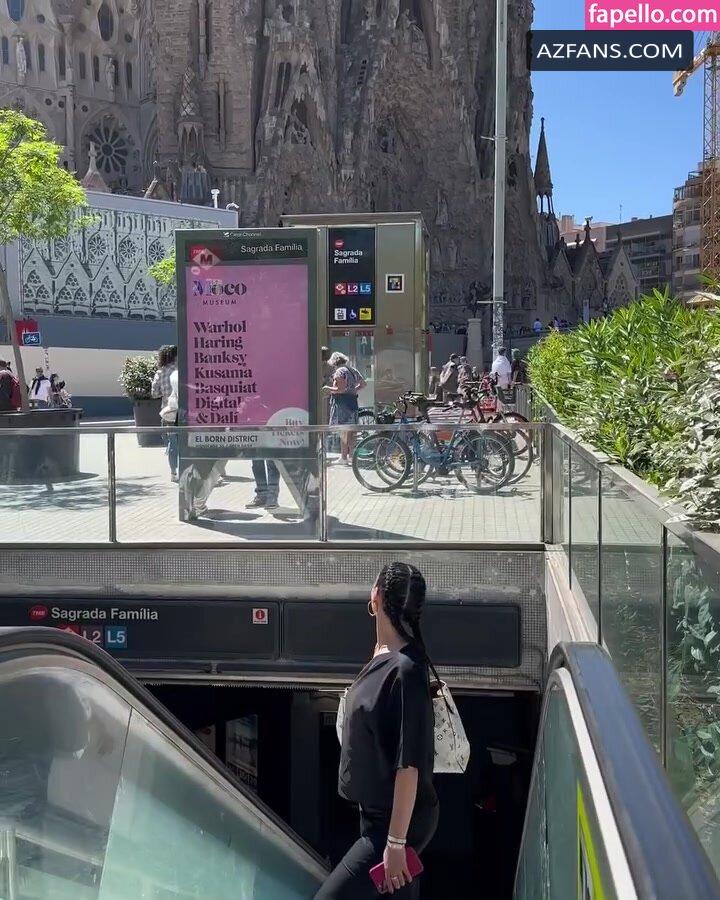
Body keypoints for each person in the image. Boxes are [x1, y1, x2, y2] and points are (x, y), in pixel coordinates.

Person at [316, 563, 439, 899]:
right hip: (377, 816)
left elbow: (409, 765)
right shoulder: (384, 655)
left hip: (394, 823)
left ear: (378, 597)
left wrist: (396, 843)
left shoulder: (405, 669)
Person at [323, 352, 366, 465]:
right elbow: (363, 384)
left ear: (334, 362)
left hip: (342, 404)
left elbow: (340, 389)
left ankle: (343, 458)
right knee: (351, 431)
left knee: (343, 431)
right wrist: (353, 389)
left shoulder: (339, 372)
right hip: (353, 402)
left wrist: (328, 388)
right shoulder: (352, 370)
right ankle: (351, 456)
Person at [151, 345, 178, 482]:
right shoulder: (180, 370)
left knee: (172, 442)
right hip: (181, 410)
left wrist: (165, 393)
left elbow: (154, 393)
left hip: (167, 411)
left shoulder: (160, 372)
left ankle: (173, 472)